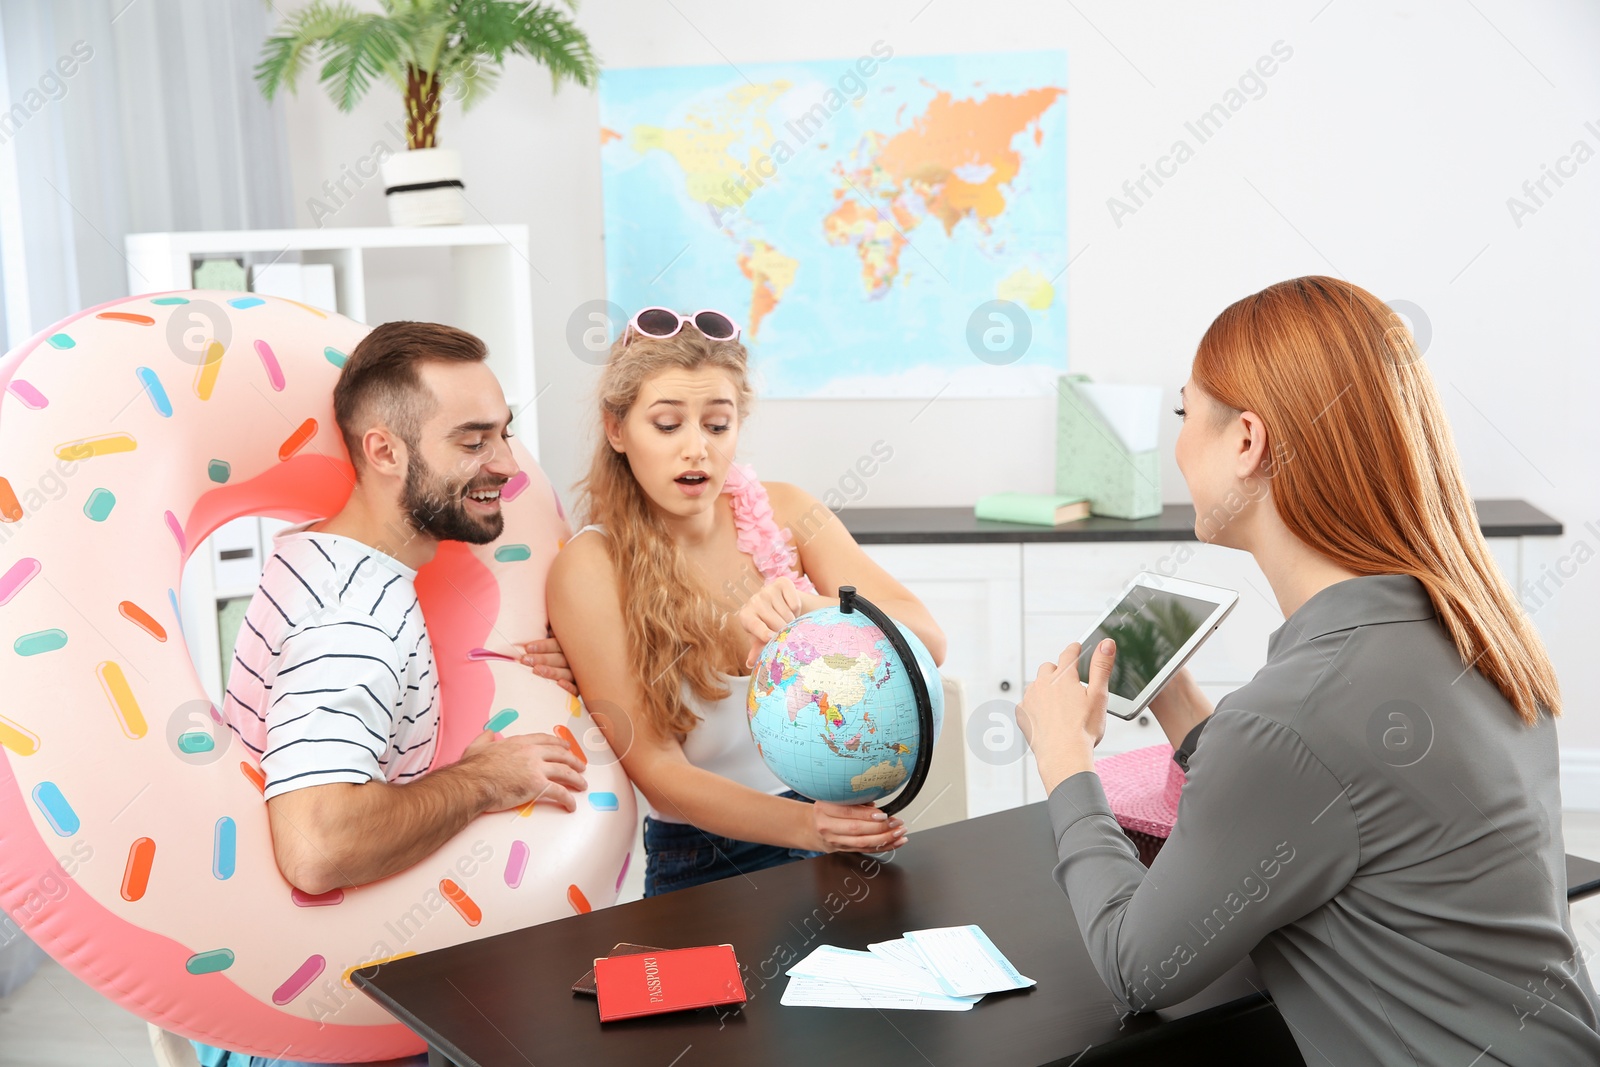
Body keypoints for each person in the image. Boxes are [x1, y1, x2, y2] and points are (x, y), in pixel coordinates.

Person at [1017, 276, 1600, 1064]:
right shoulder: (1470, 626)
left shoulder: (1294, 713)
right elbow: (1339, 795)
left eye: (1187, 414)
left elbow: (1135, 965)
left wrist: (1063, 761)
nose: (1180, 444)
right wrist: (1184, 708)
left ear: (1248, 443)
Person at [193, 322, 586, 1067]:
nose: (505, 464)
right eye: (473, 441)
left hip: (289, 1008)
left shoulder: (319, 552)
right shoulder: (356, 618)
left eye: (503, 434)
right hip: (311, 1034)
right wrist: (485, 780)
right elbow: (318, 844)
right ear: (383, 450)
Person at [540, 306, 947, 897]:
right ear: (617, 429)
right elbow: (658, 772)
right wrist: (806, 827)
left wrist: (819, 611)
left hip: (834, 825)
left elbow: (928, 642)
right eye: (667, 424)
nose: (696, 450)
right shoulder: (590, 568)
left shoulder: (786, 512)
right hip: (703, 862)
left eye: (716, 424)